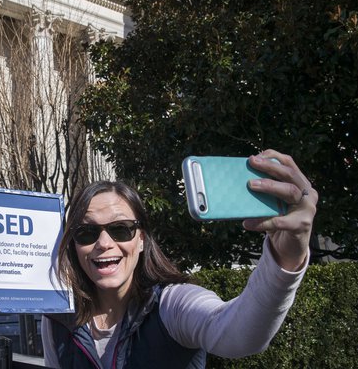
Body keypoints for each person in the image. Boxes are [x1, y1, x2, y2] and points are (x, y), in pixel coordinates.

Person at [42, 149, 316, 368]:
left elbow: (237, 333)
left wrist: (285, 258)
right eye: (87, 232)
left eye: (120, 229)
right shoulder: (58, 321)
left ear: (141, 240)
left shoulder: (172, 305)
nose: (103, 243)